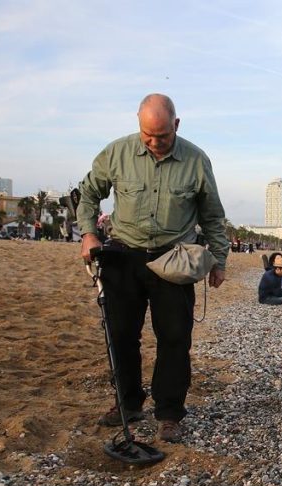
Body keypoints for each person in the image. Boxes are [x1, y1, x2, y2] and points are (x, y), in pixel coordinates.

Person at [76, 93, 229, 443]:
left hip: (173, 259)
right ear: (138, 124)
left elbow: (212, 216)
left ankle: (170, 413)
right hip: (123, 255)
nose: (155, 142)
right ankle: (128, 404)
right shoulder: (116, 153)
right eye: (148, 135)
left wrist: (219, 260)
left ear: (176, 125)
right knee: (121, 336)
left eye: (162, 135)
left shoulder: (196, 160)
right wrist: (88, 234)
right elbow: (88, 194)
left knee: (175, 338)